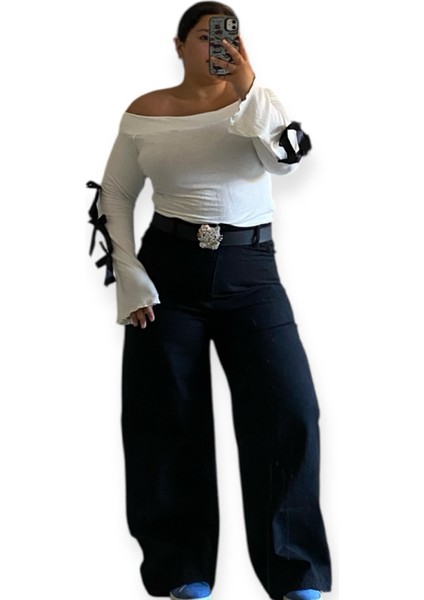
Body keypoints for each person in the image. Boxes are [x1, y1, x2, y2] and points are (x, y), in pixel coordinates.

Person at [87, 3, 332, 600]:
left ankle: (295, 573)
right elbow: (115, 193)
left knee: (288, 409)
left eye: (229, 35)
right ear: (179, 45)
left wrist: (250, 85)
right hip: (168, 269)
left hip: (252, 272)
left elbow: (284, 160)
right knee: (165, 414)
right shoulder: (145, 112)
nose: (218, 45)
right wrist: (129, 274)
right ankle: (182, 570)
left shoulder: (256, 104)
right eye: (205, 35)